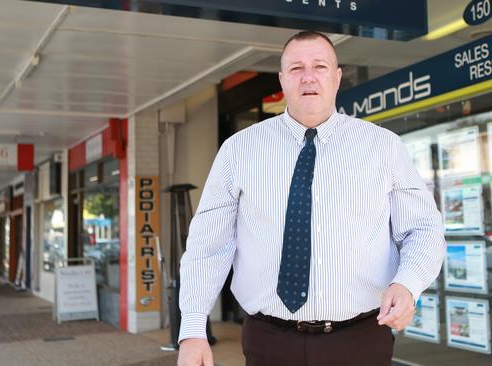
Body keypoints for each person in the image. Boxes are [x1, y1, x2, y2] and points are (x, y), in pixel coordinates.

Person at [177, 31, 445, 366]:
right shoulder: (239, 151)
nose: (308, 77)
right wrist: (192, 329)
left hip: (361, 339)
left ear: (336, 78)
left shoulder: (383, 146)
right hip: (269, 341)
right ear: (282, 80)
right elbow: (208, 244)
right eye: (296, 68)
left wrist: (408, 285)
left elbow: (424, 229)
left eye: (319, 66)